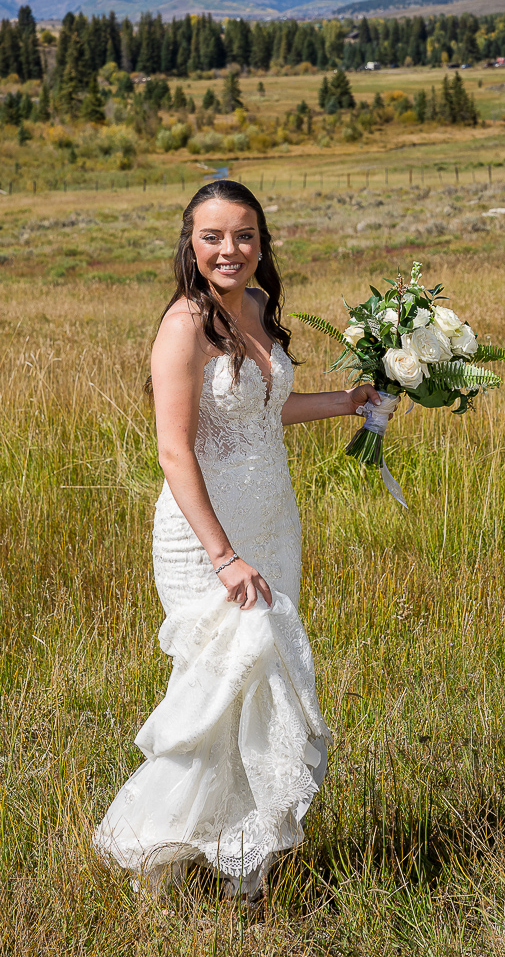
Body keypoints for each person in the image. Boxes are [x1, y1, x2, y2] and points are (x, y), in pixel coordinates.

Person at [93, 180, 385, 901]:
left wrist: (345, 403)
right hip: (205, 538)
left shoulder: (253, 307)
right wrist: (223, 557)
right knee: (217, 687)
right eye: (213, 236)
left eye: (244, 235)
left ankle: (242, 860)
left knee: (261, 686)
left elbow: (266, 411)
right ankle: (155, 857)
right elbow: (175, 451)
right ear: (189, 243)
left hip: (270, 524)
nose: (230, 250)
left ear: (261, 242)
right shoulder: (184, 325)